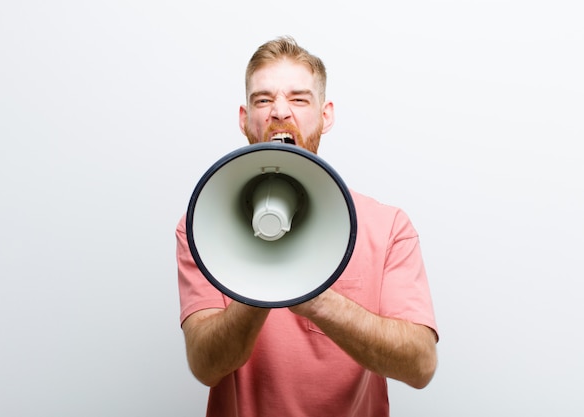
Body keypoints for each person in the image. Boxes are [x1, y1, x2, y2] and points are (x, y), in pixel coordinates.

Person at [176, 35, 439, 417]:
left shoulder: (388, 227)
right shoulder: (200, 226)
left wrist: (317, 298)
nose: (279, 111)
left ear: (325, 115)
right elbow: (205, 364)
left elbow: (420, 365)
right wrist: (265, 283)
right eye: (263, 99)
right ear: (244, 118)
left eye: (299, 99)